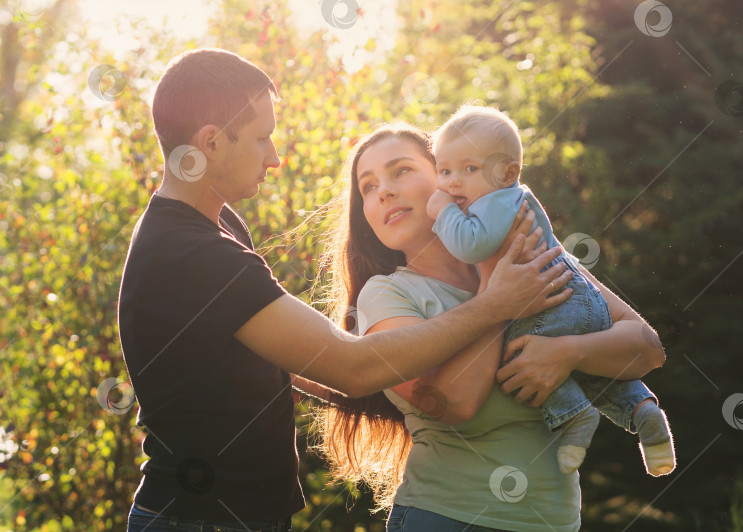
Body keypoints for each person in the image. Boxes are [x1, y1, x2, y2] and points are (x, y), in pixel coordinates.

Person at [118, 49, 567, 532]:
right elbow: (353, 367)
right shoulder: (194, 254)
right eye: (262, 138)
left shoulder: (214, 225)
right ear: (209, 142)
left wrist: (408, 390)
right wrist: (494, 305)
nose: (274, 155)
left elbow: (289, 360)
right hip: (199, 520)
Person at [312, 123, 667, 531]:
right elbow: (454, 404)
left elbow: (647, 349)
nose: (384, 191)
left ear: (448, 176)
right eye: (368, 187)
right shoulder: (385, 297)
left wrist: (567, 353)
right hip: (447, 519)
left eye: (401, 171)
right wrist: (496, 301)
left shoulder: (531, 254)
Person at [425, 105, 676, 477]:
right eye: (444, 171)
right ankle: (643, 411)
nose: (453, 183)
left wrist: (443, 211)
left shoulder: (495, 201)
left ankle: (575, 418)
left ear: (509, 173)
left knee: (514, 355)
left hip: (548, 303)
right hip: (577, 298)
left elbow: (471, 245)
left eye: (470, 169)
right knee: (591, 372)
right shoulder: (511, 199)